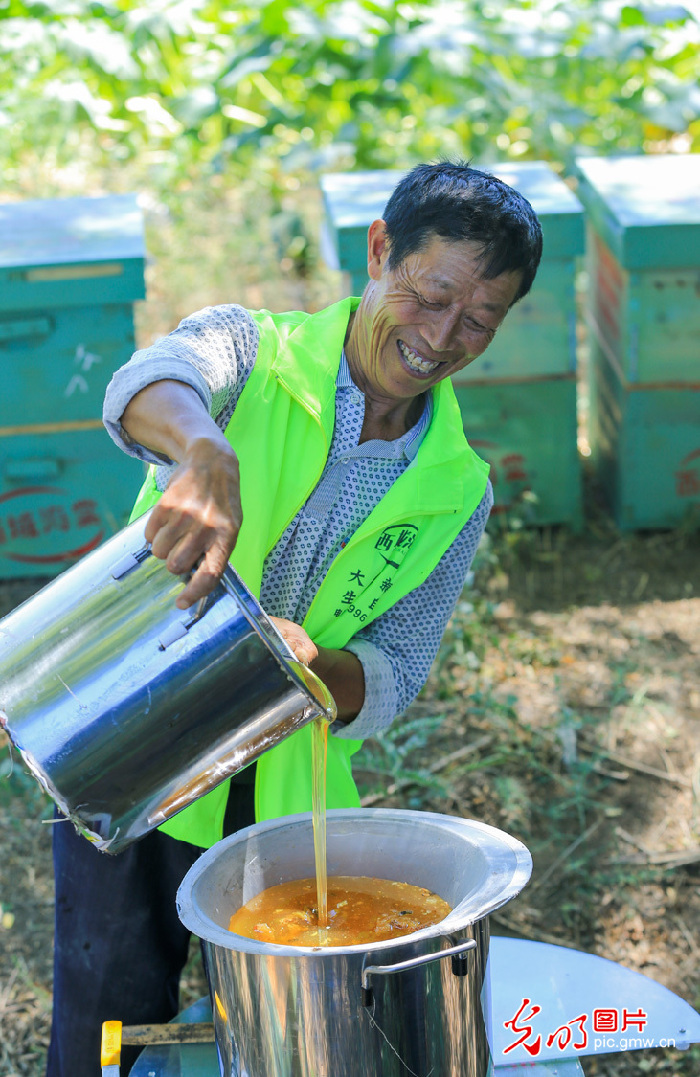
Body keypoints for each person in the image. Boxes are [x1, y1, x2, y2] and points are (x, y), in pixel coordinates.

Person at [46, 161, 542, 1075]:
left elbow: (397, 663)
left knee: (287, 1038)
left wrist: (319, 668)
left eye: (479, 320)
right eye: (430, 295)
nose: (440, 337)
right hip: (135, 744)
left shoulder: (455, 483)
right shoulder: (255, 353)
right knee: (107, 1024)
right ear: (380, 250)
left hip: (282, 799)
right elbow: (149, 378)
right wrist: (202, 448)